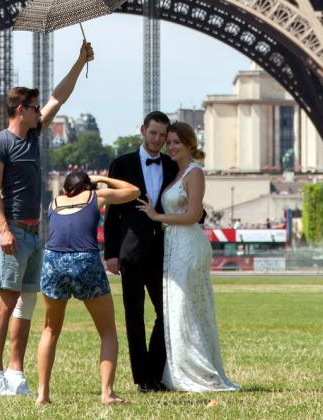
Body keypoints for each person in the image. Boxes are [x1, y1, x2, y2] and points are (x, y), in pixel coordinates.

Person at [0, 41, 94, 396]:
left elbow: (59, 97)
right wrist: (2, 229)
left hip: (33, 233)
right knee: (6, 301)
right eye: (33, 107)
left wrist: (79, 62)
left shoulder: (33, 136)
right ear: (19, 109)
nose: (39, 112)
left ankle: (16, 369)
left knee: (26, 303)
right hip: (13, 230)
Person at [136, 122, 239, 392]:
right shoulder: (177, 171)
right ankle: (180, 370)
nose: (170, 146)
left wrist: (157, 216)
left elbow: (194, 215)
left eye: (175, 142)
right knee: (177, 310)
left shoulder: (194, 173)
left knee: (184, 308)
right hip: (175, 245)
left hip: (187, 245)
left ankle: (197, 371)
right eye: (168, 142)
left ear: (190, 144)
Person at [36, 172, 139, 405]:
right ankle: (107, 393)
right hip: (86, 262)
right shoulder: (94, 196)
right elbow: (133, 191)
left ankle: (42, 394)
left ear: (65, 190)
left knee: (50, 330)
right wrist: (103, 178)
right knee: (107, 331)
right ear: (88, 187)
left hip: (53, 261)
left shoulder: (54, 202)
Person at [103, 111, 178, 392]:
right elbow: (111, 213)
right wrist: (110, 253)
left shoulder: (172, 164)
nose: (158, 140)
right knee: (134, 316)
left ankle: (154, 372)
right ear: (143, 130)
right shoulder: (121, 164)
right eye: (153, 133)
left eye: (162, 135)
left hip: (163, 251)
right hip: (130, 252)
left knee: (166, 313)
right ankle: (143, 379)